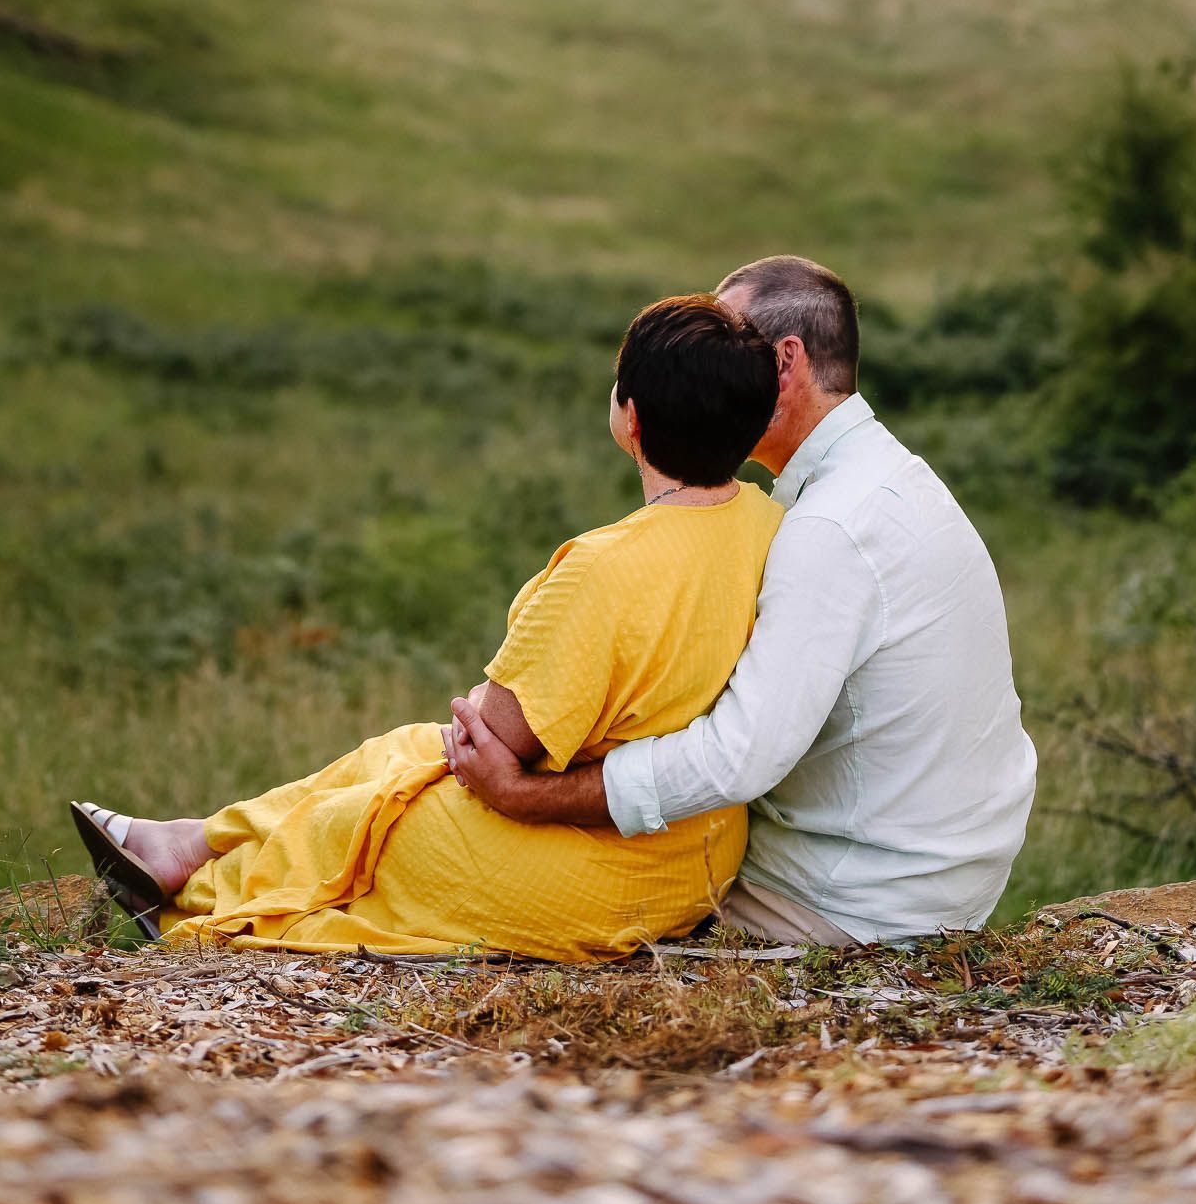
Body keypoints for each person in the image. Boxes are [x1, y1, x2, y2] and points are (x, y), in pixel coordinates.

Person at [71, 294, 782, 961]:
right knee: (402, 751)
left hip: (596, 867)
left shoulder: (604, 566)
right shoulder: (766, 524)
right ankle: (184, 842)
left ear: (630, 417)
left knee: (378, 815)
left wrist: (485, 707)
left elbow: (497, 738)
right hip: (697, 857)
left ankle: (189, 906)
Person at [448, 254, 1037, 948]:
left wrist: (526, 795)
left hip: (856, 900)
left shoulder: (829, 528)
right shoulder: (878, 478)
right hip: (929, 868)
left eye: (732, 343)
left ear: (784, 365)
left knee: (481, 863)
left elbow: (740, 758)